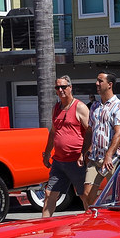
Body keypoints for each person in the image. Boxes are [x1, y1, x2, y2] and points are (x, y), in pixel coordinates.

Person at [41, 75, 90, 217]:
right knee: (49, 194)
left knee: (85, 196)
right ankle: (45, 229)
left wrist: (83, 154)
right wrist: (47, 153)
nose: (61, 90)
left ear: (70, 87)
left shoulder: (80, 107)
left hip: (76, 162)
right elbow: (53, 132)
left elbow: (90, 132)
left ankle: (93, 225)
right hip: (59, 162)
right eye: (58, 87)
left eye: (63, 87)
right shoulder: (56, 108)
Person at [81, 72, 120, 208]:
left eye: (100, 81)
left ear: (109, 85)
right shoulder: (95, 106)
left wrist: (108, 155)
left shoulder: (119, 106)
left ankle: (115, 224)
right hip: (95, 158)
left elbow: (119, 133)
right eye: (97, 80)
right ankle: (94, 222)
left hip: (113, 159)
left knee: (116, 198)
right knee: (87, 194)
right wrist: (85, 151)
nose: (97, 83)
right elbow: (90, 130)